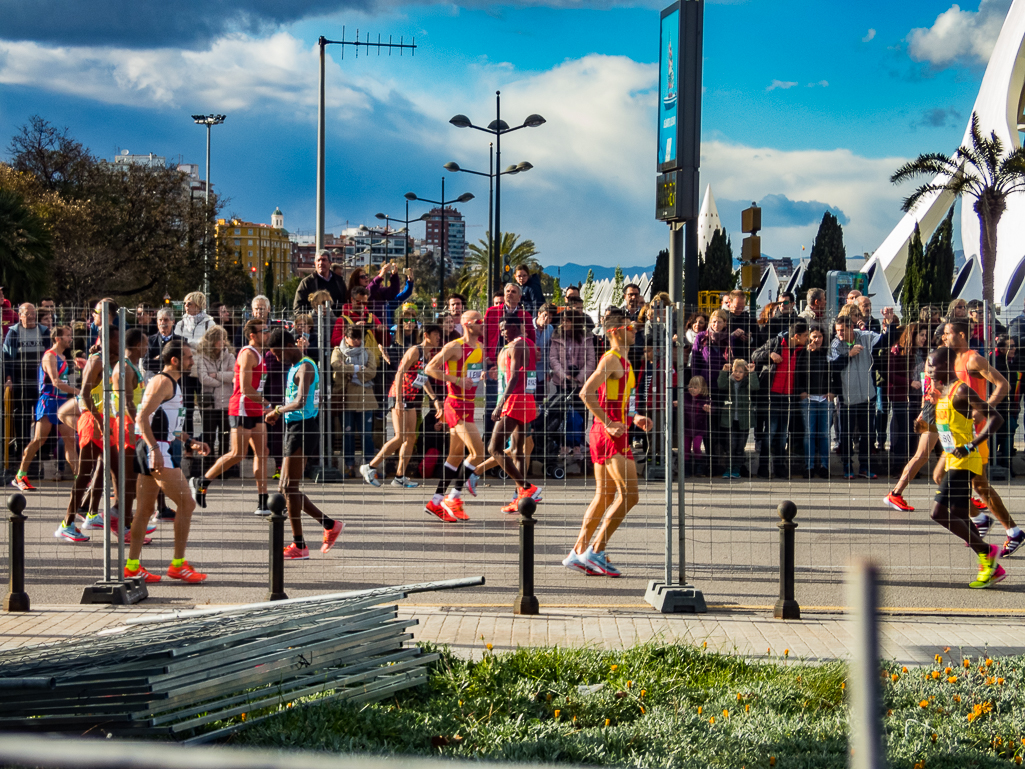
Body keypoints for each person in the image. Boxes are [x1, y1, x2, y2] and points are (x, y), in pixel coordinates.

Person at [563, 312, 652, 577]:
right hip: (609, 434)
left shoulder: (623, 361)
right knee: (630, 496)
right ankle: (596, 551)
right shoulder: (612, 360)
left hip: (608, 431)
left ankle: (578, 552)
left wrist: (633, 417)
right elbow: (585, 393)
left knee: (604, 496)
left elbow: (614, 401)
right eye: (630, 328)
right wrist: (610, 423)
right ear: (615, 331)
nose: (635, 331)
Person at [124, 339, 211, 584]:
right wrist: (154, 449)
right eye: (188, 357)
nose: (192, 361)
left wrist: (189, 441)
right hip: (156, 450)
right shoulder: (163, 381)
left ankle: (132, 567)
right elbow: (141, 418)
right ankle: (178, 565)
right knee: (187, 505)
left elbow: (165, 423)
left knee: (144, 511)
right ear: (174, 360)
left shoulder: (172, 383)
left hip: (156, 447)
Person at [926, 347, 1005, 589]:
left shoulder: (960, 389)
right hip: (952, 459)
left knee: (938, 513)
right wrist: (924, 426)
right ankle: (991, 566)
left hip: (964, 460)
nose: (928, 370)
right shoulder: (941, 392)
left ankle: (988, 552)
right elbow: (948, 430)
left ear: (947, 366)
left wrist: (971, 446)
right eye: (927, 366)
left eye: (933, 365)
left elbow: (996, 418)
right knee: (960, 514)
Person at [264, 328, 344, 559]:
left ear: (289, 346)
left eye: (278, 354)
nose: (277, 358)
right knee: (287, 489)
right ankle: (328, 525)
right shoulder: (294, 366)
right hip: (295, 427)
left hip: (303, 428)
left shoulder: (306, 367)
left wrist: (277, 410)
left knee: (288, 488)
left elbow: (300, 402)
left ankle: (301, 544)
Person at [190, 319, 272, 516]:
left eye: (268, 330)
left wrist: (263, 405)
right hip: (242, 407)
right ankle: (202, 481)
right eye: (264, 331)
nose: (268, 334)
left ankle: (262, 501)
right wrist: (267, 404)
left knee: (262, 452)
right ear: (252, 335)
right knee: (238, 453)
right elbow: (244, 388)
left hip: (256, 408)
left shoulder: (260, 354)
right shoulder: (247, 354)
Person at [361, 324, 444, 488]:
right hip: (399, 396)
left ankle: (400, 476)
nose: (439, 338)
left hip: (411, 398)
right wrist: (398, 400)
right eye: (436, 334)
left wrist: (434, 399)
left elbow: (424, 378)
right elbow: (399, 372)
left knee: (411, 438)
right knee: (400, 436)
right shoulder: (415, 350)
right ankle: (370, 467)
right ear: (426, 335)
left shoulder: (427, 355)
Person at [423, 310, 486, 522]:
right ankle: (454, 498)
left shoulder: (480, 347)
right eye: (479, 322)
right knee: (478, 453)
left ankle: (435, 501)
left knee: (455, 457)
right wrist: (456, 381)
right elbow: (430, 369)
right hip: (455, 405)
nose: (482, 324)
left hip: (469, 405)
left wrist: (485, 375)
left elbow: (472, 374)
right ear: (468, 324)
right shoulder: (454, 346)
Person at [485, 313, 542, 513]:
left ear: (515, 327)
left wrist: (500, 404)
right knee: (518, 451)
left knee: (494, 448)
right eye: (500, 328)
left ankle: (527, 487)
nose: (502, 332)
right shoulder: (528, 343)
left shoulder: (517, 345)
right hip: (526, 399)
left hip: (516, 400)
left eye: (504, 327)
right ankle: (520, 498)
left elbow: (515, 375)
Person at [12, 326, 78, 492]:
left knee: (70, 440)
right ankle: (20, 475)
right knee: (39, 440)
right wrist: (78, 392)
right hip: (48, 401)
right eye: (68, 336)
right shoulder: (50, 356)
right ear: (58, 338)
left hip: (62, 402)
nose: (70, 338)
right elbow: (55, 381)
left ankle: (80, 478)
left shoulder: (63, 356)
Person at [752, 319, 809, 479]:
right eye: (805, 336)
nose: (807, 339)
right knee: (770, 432)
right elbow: (755, 355)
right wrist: (770, 355)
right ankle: (763, 468)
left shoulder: (802, 349)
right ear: (796, 336)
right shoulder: (776, 342)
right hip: (771, 395)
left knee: (783, 434)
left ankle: (780, 467)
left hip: (789, 396)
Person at [829, 316, 883, 479]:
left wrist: (889, 323)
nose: (839, 334)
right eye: (837, 331)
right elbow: (832, 366)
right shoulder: (836, 344)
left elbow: (885, 340)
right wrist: (849, 355)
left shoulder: (864, 337)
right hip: (847, 399)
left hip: (867, 396)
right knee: (846, 434)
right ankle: (847, 466)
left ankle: (865, 467)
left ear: (851, 327)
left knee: (867, 434)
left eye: (842, 330)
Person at [3, 303, 51, 461]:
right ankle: (22, 449)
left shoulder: (43, 332)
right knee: (21, 417)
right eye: (27, 314)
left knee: (41, 416)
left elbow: (49, 354)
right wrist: (8, 378)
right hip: (20, 383)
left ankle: (41, 450)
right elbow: (7, 358)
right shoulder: (14, 333)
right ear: (20, 315)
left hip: (40, 384)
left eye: (33, 313)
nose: (31, 316)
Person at [333, 323, 378, 476]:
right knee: (348, 433)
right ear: (346, 338)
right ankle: (349, 466)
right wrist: (358, 369)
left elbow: (372, 371)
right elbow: (336, 366)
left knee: (367, 434)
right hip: (346, 397)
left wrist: (350, 372)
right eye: (354, 338)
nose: (358, 341)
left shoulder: (368, 352)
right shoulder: (338, 351)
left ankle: (370, 467)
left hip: (366, 398)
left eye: (360, 338)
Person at [194, 325, 236, 474]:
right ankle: (209, 467)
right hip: (208, 404)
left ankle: (223, 468)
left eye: (224, 338)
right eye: (219, 339)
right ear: (211, 341)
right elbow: (203, 378)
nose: (223, 341)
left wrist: (216, 375)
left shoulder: (230, 356)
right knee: (209, 436)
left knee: (225, 436)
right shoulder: (201, 357)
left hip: (226, 403)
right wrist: (222, 379)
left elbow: (234, 376)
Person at [796, 328, 833, 478]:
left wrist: (832, 391)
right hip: (809, 398)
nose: (816, 340)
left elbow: (834, 373)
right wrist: (801, 392)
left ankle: (824, 466)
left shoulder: (828, 354)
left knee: (824, 434)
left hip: (825, 398)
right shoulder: (803, 354)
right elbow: (798, 373)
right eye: (813, 337)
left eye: (819, 337)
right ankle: (809, 466)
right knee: (809, 433)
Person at [717, 359, 759, 478]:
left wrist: (752, 373)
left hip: (744, 420)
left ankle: (737, 468)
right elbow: (721, 385)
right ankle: (729, 468)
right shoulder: (729, 382)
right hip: (730, 420)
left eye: (740, 372)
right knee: (731, 445)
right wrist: (723, 371)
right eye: (735, 371)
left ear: (745, 373)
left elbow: (755, 387)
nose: (737, 374)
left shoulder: (747, 383)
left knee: (740, 447)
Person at [682, 376, 711, 475]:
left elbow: (713, 408)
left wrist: (709, 409)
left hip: (699, 428)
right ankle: (686, 467)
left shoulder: (705, 399)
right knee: (685, 447)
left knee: (697, 447)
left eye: (695, 387)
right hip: (686, 427)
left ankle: (699, 465)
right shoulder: (685, 397)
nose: (692, 389)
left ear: (702, 388)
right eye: (691, 386)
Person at [147, 308, 180, 374]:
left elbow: (182, 364)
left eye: (166, 320)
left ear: (173, 322)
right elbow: (146, 364)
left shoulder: (180, 341)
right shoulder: (150, 340)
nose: (162, 323)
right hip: (155, 378)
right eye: (160, 320)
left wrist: (157, 359)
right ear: (157, 322)